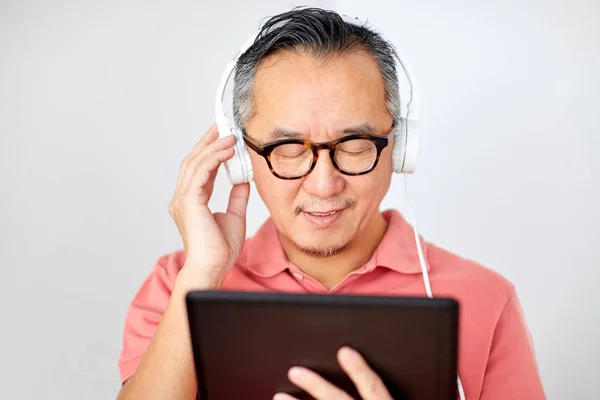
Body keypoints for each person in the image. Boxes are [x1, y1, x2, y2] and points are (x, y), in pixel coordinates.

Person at [117, 7, 545, 400]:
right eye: (287, 147)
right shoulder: (180, 283)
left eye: (355, 144)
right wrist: (202, 274)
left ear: (398, 148)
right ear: (244, 160)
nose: (323, 185)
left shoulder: (487, 298)